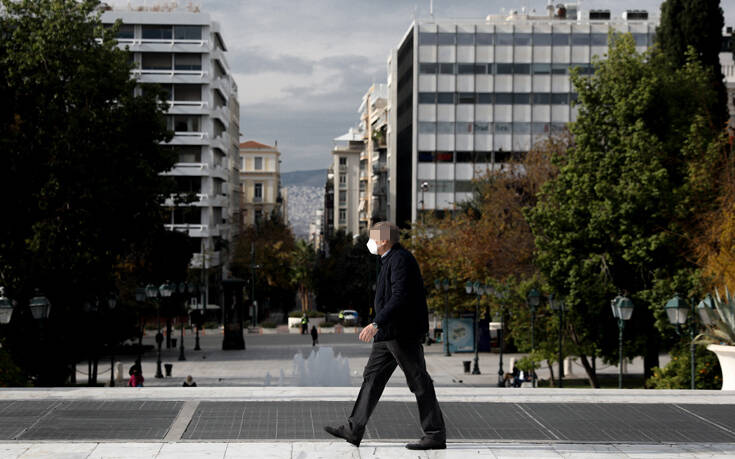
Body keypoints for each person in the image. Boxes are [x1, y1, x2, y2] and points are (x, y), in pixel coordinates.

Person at [324, 221, 446, 450]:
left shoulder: (400, 260)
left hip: (401, 333)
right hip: (388, 335)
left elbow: (399, 297)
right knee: (372, 377)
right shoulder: (388, 259)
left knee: (418, 380)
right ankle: (354, 429)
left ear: (384, 240)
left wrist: (376, 323)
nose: (370, 242)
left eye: (372, 237)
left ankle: (435, 434)